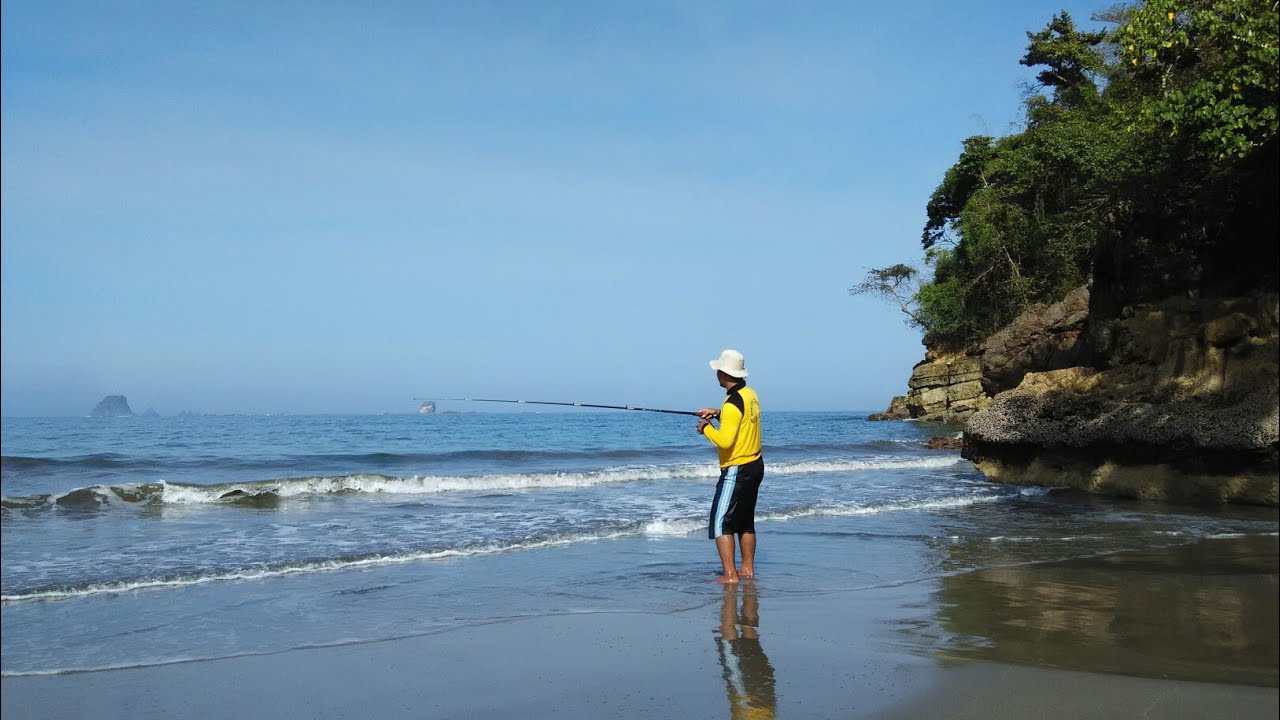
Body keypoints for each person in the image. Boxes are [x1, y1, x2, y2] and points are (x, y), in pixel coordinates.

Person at [696, 349, 763, 585]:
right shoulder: (749, 394)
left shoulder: (733, 403)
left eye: (718, 371)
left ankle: (730, 575)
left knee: (720, 522)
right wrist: (718, 412)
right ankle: (746, 570)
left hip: (737, 468)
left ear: (724, 374)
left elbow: (725, 441)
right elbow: (739, 417)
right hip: (755, 465)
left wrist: (706, 428)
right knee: (745, 521)